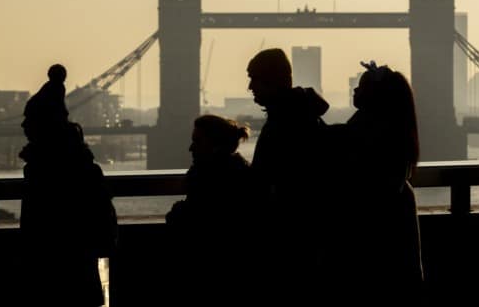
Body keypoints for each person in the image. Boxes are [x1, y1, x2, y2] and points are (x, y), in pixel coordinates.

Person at [329, 61, 424, 305]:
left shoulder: (367, 131)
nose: (354, 90)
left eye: (360, 86)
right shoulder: (393, 129)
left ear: (374, 96)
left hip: (373, 237)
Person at [19, 64, 114, 307]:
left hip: (50, 268)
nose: (23, 127)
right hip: (84, 266)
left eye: (29, 122)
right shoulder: (84, 167)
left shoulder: (42, 170)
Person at [246, 48, 330, 300]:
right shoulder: (304, 116)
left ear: (271, 80)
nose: (250, 86)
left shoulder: (283, 124)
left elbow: (268, 183)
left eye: (254, 78)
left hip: (287, 242)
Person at [165, 114, 260, 303]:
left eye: (197, 141)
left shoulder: (208, 178)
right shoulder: (239, 173)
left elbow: (200, 224)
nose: (190, 148)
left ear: (215, 145)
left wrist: (178, 213)